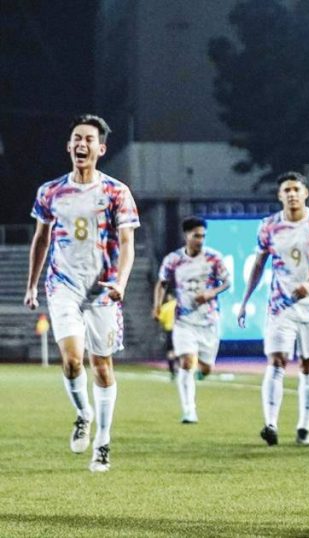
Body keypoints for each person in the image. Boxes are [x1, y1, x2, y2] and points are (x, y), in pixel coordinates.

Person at [24, 114, 140, 472]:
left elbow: (127, 241)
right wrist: (31, 284)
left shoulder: (115, 192)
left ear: (100, 149)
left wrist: (120, 282)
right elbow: (41, 238)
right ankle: (83, 414)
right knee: (73, 360)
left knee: (102, 368)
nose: (81, 144)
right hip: (63, 286)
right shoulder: (50, 191)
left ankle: (103, 443)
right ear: (69, 146)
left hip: (103, 289)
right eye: (76, 138)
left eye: (89, 139)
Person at [238, 171, 309, 447]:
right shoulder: (269, 226)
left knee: (308, 364)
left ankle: (304, 426)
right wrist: (245, 301)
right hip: (281, 304)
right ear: (279, 196)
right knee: (276, 360)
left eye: (296, 189)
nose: (291, 194)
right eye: (286, 190)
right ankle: (271, 423)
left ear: (305, 193)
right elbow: (258, 265)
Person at [153, 216, 231, 423]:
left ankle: (199, 375)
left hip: (208, 320)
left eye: (203, 236)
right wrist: (157, 306)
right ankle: (189, 410)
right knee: (187, 361)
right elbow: (162, 283)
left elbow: (227, 282)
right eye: (196, 235)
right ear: (186, 235)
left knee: (205, 368)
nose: (200, 240)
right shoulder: (173, 260)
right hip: (184, 320)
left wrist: (210, 293)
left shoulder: (214, 258)